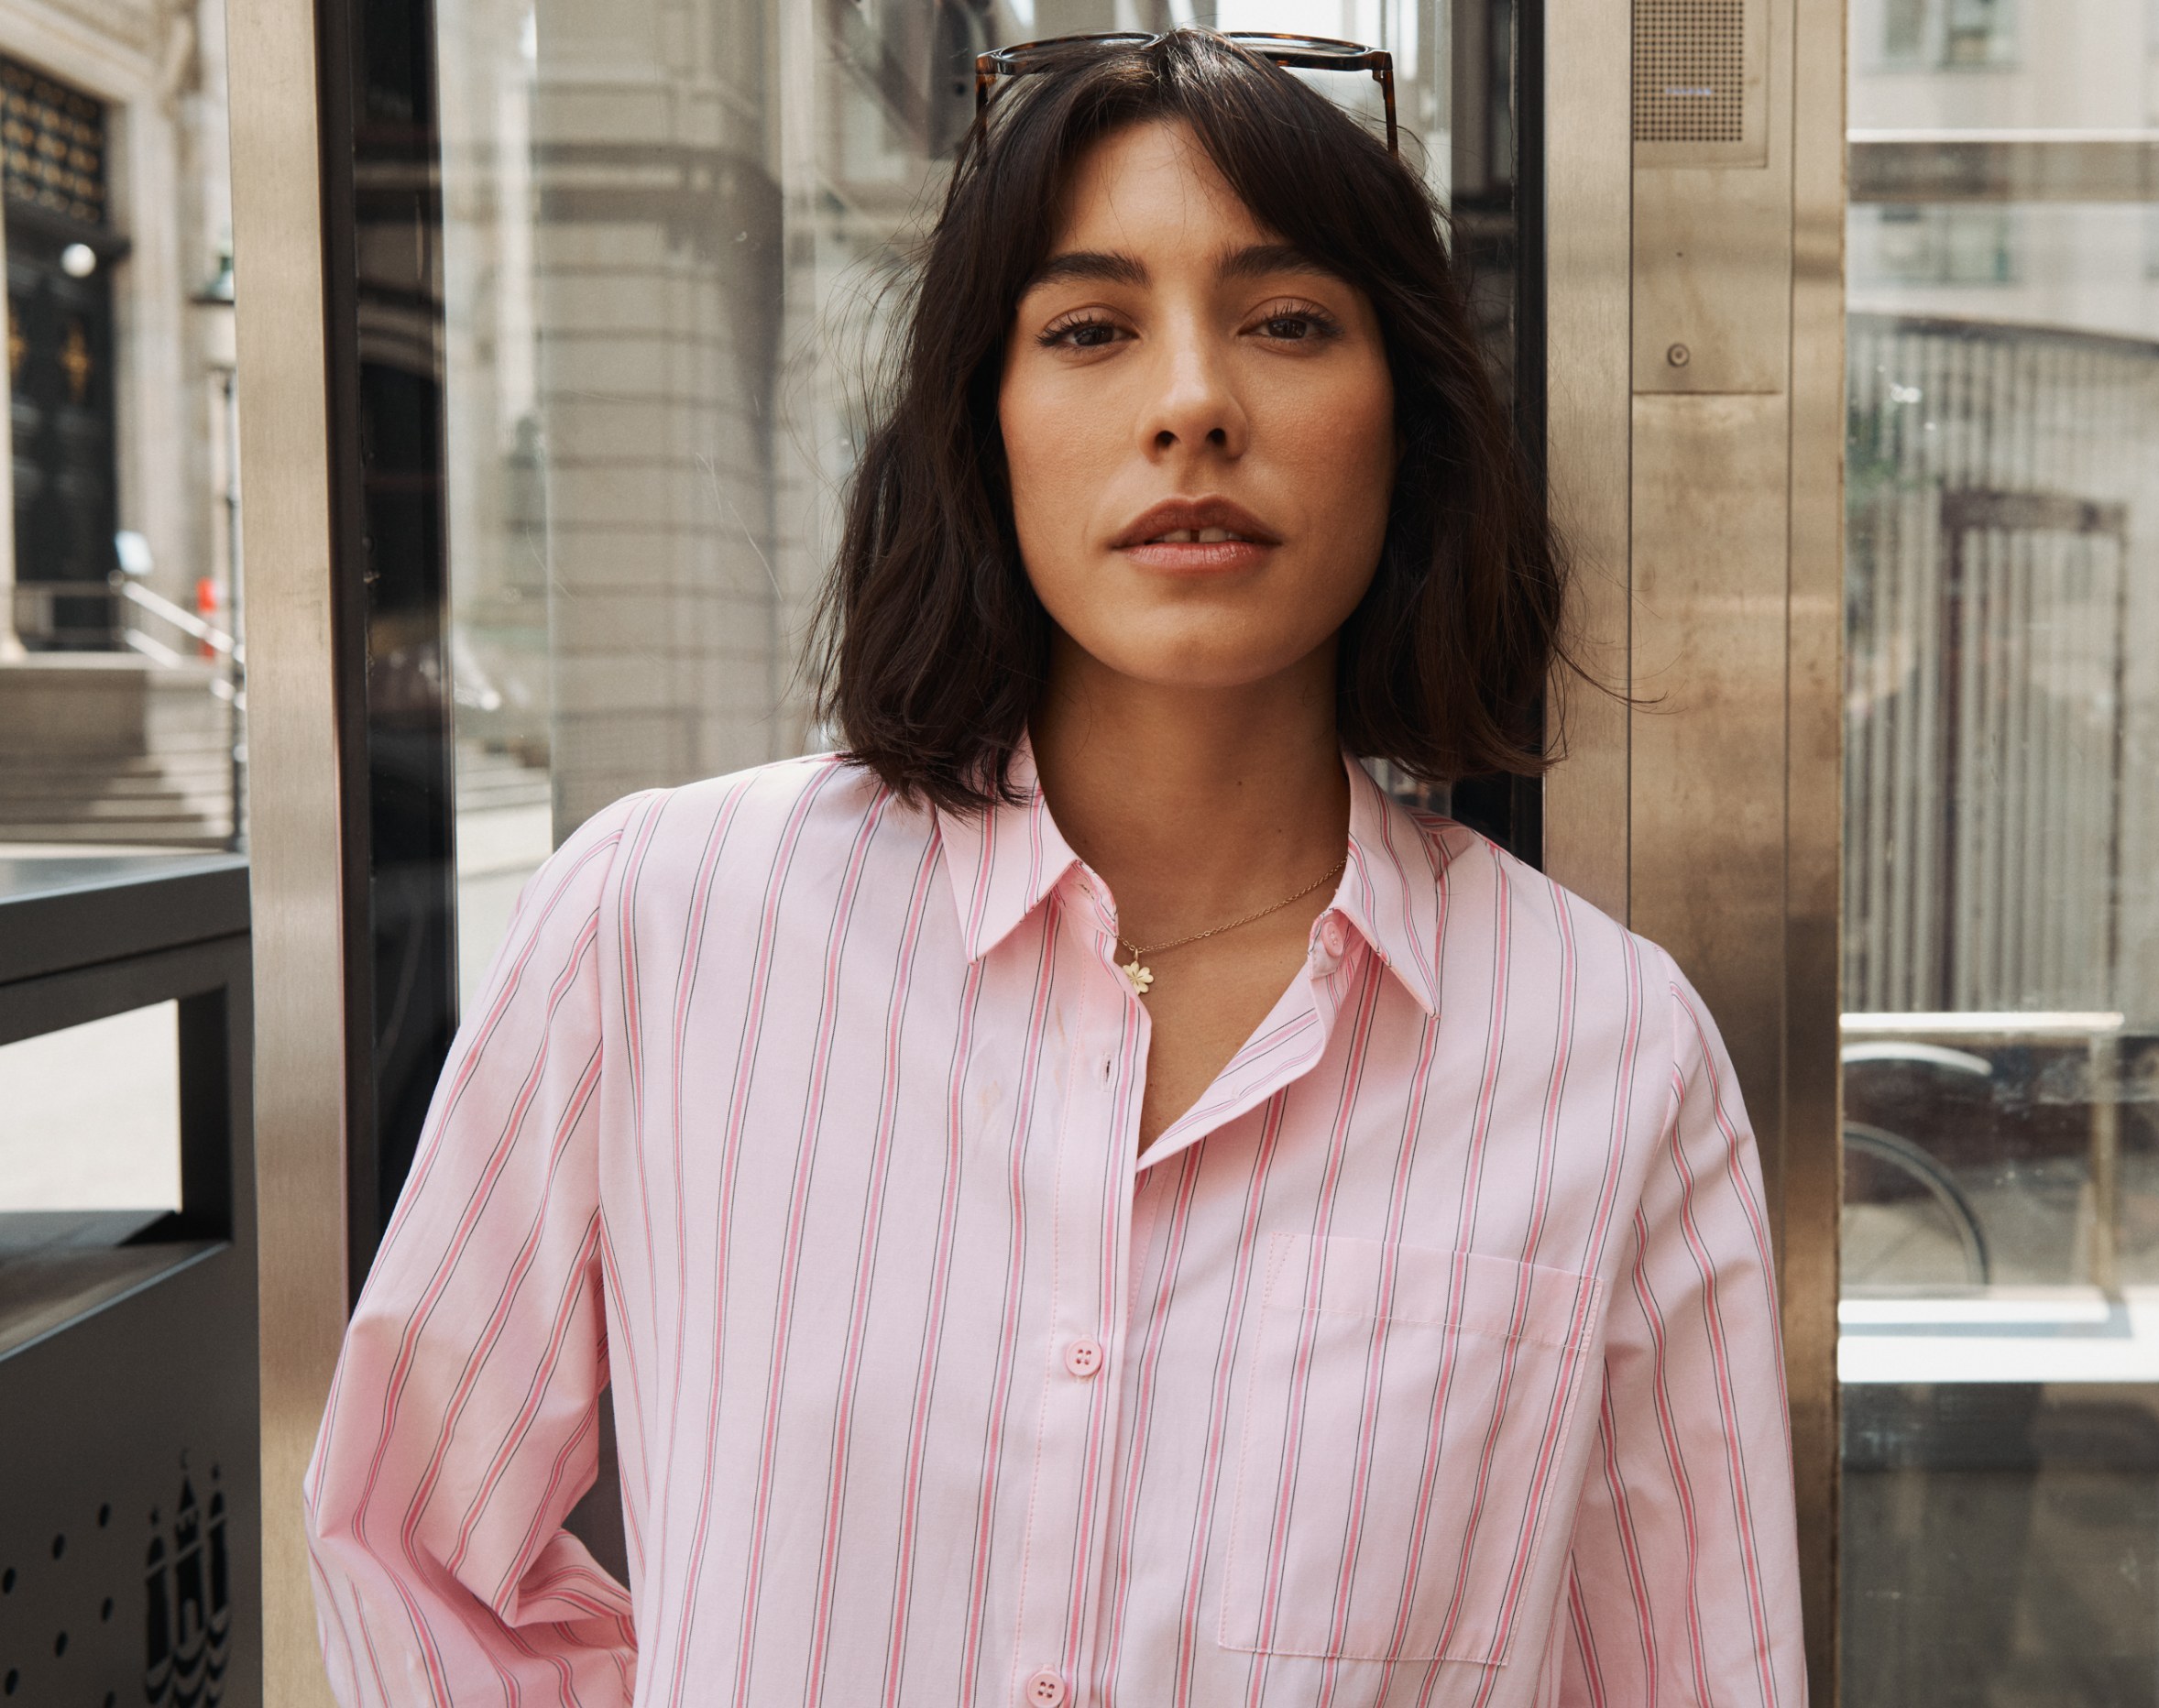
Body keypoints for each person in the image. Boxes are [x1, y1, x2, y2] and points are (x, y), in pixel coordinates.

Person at [303, 30, 1802, 1707]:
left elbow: (1687, 1669)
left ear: (1411, 422)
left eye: (1289, 321)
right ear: (981, 421)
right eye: (1089, 328)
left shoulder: (1607, 1045)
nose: (1192, 402)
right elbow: (414, 1547)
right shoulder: (663, 921)